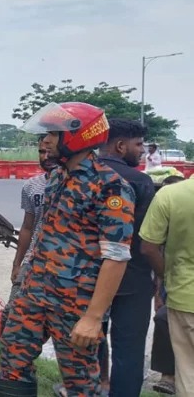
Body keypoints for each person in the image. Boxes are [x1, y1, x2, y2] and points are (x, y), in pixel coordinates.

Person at [0, 102, 135, 397]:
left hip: (75, 303)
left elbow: (116, 257)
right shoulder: (57, 176)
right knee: (12, 361)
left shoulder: (111, 187)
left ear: (78, 136)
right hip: (35, 291)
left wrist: (93, 318)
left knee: (80, 382)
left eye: (53, 134)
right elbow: (45, 230)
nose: (45, 141)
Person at [0, 140, 57, 391]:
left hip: (67, 271)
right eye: (41, 152)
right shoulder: (32, 185)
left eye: (50, 151)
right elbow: (26, 227)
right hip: (31, 265)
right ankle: (8, 368)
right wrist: (17, 263)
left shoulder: (83, 186)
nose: (45, 156)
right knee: (11, 318)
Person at [91, 119, 155, 397]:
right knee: (129, 348)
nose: (142, 151)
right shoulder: (140, 181)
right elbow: (150, 238)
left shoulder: (84, 176)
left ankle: (92, 388)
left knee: (90, 337)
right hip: (133, 278)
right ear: (120, 145)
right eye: (138, 144)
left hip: (90, 277)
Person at [140, 176, 194, 396]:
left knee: (187, 370)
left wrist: (166, 276)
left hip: (184, 295)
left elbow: (148, 248)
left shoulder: (170, 195)